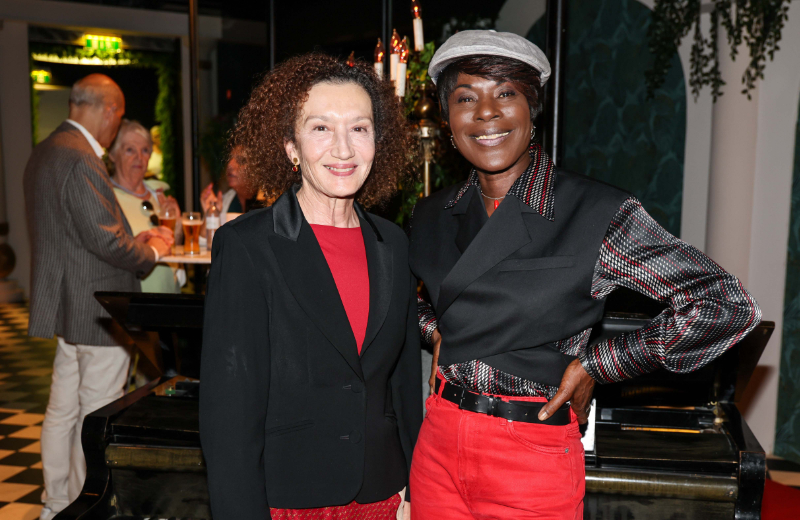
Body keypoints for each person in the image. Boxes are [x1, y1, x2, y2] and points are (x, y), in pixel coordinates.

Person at [407, 30, 762, 519]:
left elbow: (726, 305)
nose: (486, 112)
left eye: (505, 94)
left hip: (530, 450)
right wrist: (435, 329)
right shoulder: (430, 214)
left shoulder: (596, 212)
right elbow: (399, 297)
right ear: (448, 119)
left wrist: (601, 363)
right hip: (438, 443)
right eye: (466, 98)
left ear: (532, 109)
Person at [199, 53, 421, 520]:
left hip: (381, 496)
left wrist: (412, 488)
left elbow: (402, 388)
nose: (343, 149)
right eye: (321, 128)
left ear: (377, 142)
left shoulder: (394, 244)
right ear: (291, 147)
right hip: (287, 501)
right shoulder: (247, 246)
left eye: (359, 128)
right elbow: (229, 414)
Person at [23, 74, 173, 520]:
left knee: (62, 411)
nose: (115, 127)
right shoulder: (81, 157)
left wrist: (130, 239)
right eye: (119, 117)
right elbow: (106, 242)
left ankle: (56, 503)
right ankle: (87, 508)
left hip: (69, 306)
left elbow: (74, 235)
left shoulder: (45, 151)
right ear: (109, 111)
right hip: (99, 307)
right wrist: (152, 250)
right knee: (97, 414)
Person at [108, 119, 184, 293]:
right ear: (112, 154)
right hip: (132, 298)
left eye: (145, 150)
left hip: (169, 295)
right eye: (130, 150)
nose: (139, 157)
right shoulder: (106, 198)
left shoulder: (159, 195)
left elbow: (173, 250)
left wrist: (177, 226)